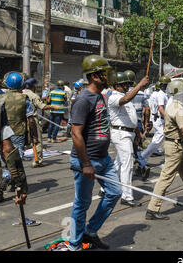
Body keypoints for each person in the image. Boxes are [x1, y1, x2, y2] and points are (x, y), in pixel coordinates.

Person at [66, 55, 122, 251]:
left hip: (104, 159)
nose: (109, 76)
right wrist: (86, 164)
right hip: (86, 160)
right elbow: (75, 133)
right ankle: (75, 244)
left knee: (115, 192)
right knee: (82, 203)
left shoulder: (100, 95)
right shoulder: (83, 99)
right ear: (96, 76)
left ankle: (90, 231)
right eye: (105, 73)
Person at [145, 80, 183, 220]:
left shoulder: (171, 105)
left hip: (176, 145)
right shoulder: (178, 109)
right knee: (166, 177)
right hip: (175, 146)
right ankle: (152, 209)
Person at [108, 71, 149, 207]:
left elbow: (131, 118)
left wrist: (138, 133)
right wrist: (140, 85)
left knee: (119, 163)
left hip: (128, 133)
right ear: (116, 85)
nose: (127, 86)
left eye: (127, 84)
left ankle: (106, 187)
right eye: (124, 84)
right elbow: (125, 100)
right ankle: (126, 196)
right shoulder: (114, 97)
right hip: (121, 134)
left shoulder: (126, 96)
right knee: (127, 165)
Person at [23, 78, 60, 167]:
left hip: (21, 121)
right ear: (32, 86)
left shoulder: (21, 93)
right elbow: (42, 107)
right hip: (32, 120)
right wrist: (53, 107)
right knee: (37, 140)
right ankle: (37, 161)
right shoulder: (34, 95)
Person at [3, 72, 37, 160]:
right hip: (18, 132)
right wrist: (35, 135)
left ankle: (7, 173)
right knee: (17, 160)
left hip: (2, 132)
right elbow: (31, 120)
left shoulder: (0, 98)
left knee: (5, 157)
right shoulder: (24, 99)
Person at [140, 76, 170, 167]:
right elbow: (161, 108)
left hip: (157, 118)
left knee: (159, 139)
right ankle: (142, 157)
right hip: (160, 119)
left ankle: (144, 158)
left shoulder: (156, 94)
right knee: (158, 140)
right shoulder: (160, 94)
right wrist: (168, 119)